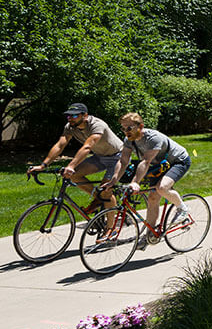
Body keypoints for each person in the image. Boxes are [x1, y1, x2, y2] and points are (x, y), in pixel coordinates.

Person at [109, 112, 192, 249]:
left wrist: (135, 182)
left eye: (129, 128)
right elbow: (123, 161)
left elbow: (145, 162)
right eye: (123, 128)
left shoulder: (153, 138)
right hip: (159, 165)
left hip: (178, 161)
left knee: (161, 188)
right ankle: (150, 235)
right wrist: (113, 180)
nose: (126, 132)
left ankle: (182, 209)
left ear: (140, 126)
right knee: (153, 197)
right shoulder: (128, 140)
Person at [28, 103, 125, 214]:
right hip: (99, 156)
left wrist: (71, 166)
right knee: (75, 176)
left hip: (118, 157)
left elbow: (87, 146)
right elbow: (60, 145)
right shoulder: (70, 127)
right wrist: (43, 165)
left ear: (85, 115)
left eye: (74, 116)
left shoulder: (97, 124)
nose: (70, 119)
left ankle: (112, 223)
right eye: (68, 116)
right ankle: (100, 199)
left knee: (106, 189)